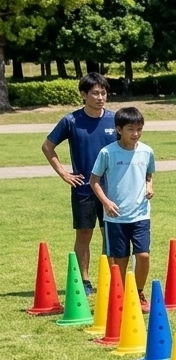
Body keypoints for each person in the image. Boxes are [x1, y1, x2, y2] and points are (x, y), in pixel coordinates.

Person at [40, 72, 116, 293]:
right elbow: (47, 147)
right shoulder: (71, 121)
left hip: (110, 189)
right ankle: (84, 281)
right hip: (83, 188)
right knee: (84, 233)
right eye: (95, 93)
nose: (100, 97)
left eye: (103, 93)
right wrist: (64, 173)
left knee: (109, 232)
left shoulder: (115, 119)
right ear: (83, 94)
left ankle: (108, 277)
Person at [89, 107, 156, 311]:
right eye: (130, 129)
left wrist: (150, 186)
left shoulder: (147, 151)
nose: (135, 134)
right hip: (116, 218)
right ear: (119, 129)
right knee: (120, 260)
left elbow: (149, 174)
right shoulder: (107, 152)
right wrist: (106, 203)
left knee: (143, 255)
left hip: (141, 214)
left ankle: (139, 292)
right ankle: (120, 295)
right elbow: (94, 181)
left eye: (139, 129)